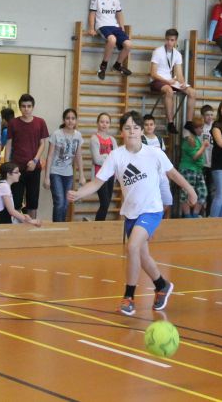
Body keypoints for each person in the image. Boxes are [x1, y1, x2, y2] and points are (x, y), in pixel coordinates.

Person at [68, 111, 197, 316]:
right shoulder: (116, 155)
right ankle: (162, 285)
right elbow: (97, 182)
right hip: (131, 213)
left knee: (133, 246)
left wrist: (190, 190)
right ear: (121, 132)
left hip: (152, 210)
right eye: (127, 128)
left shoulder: (154, 153)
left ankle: (129, 297)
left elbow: (172, 173)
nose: (132, 131)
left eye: (135, 128)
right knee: (142, 255)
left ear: (141, 130)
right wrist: (78, 194)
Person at [4, 93, 49, 220]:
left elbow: (42, 144)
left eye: (29, 106)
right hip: (16, 169)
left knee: (33, 201)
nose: (26, 109)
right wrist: (7, 167)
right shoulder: (13, 123)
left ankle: (32, 226)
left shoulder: (40, 122)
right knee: (16, 200)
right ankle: (17, 227)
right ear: (20, 107)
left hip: (34, 167)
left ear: (33, 107)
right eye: (23, 106)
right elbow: (8, 145)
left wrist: (35, 160)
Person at [149, 28, 197, 134]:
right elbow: (153, 73)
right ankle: (170, 123)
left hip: (170, 81)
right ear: (165, 39)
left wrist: (183, 83)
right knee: (169, 90)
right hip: (157, 80)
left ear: (175, 41)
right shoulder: (158, 52)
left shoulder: (177, 54)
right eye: (167, 40)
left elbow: (179, 74)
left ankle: (189, 122)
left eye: (172, 40)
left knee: (192, 92)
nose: (169, 42)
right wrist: (167, 81)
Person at [87, 0, 132, 80]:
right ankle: (103, 66)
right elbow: (92, 13)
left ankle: (117, 65)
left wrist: (122, 28)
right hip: (102, 25)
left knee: (129, 44)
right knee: (112, 40)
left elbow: (119, 14)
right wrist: (91, 28)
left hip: (114, 26)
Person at [44, 108, 86, 223]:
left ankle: (61, 226)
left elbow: (78, 156)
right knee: (59, 202)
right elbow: (50, 156)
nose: (70, 121)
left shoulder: (78, 135)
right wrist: (47, 177)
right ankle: (57, 228)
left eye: (73, 118)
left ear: (76, 120)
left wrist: (81, 175)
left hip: (69, 174)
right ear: (64, 120)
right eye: (67, 118)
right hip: (55, 172)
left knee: (66, 203)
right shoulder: (56, 134)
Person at [89, 112, 118, 221]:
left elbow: (116, 159)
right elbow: (97, 159)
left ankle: (100, 224)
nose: (104, 124)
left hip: (111, 175)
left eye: (107, 122)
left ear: (110, 124)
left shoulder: (112, 140)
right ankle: (98, 225)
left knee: (106, 204)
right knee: (104, 203)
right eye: (102, 122)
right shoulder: (94, 139)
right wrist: (108, 157)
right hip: (99, 175)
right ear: (97, 123)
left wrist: (105, 157)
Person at [179, 117, 208, 218]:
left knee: (203, 192)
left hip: (197, 170)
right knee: (186, 194)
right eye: (200, 128)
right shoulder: (189, 141)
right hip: (188, 170)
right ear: (194, 129)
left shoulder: (195, 139)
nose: (202, 130)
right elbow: (195, 156)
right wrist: (203, 147)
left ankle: (195, 214)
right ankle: (187, 216)